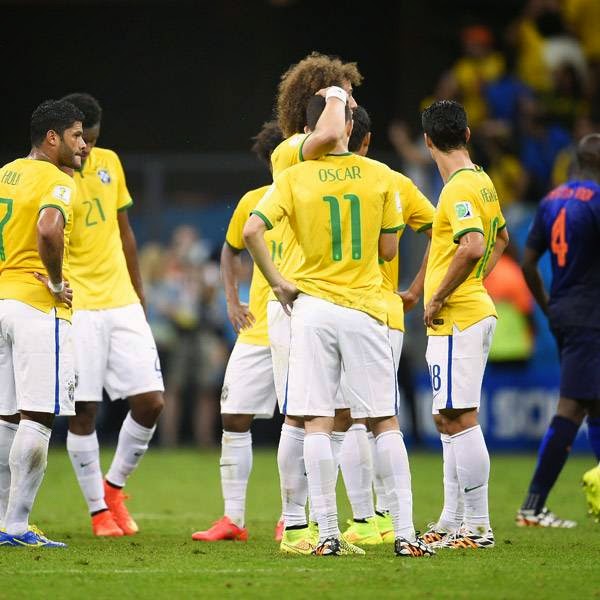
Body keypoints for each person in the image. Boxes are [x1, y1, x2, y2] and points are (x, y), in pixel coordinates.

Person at [244, 97, 433, 558]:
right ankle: (405, 534)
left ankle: (325, 534)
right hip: (366, 306)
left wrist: (278, 283)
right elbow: (389, 250)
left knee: (316, 421)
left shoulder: (291, 175)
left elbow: (252, 232)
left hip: (311, 308)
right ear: (351, 127)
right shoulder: (381, 176)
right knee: (383, 421)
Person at [268, 53, 364, 555]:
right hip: (294, 297)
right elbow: (326, 135)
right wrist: (335, 94)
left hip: (328, 300)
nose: (352, 110)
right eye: (347, 100)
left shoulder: (332, 164)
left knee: (330, 413)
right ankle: (294, 523)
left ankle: (319, 520)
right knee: (301, 414)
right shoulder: (292, 151)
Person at [61, 93, 164, 537]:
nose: (86, 149)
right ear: (62, 136)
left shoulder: (109, 163)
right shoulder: (46, 178)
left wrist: (140, 294)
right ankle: (99, 512)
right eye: (80, 139)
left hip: (120, 299)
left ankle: (114, 487)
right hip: (76, 304)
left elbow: (125, 233)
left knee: (151, 400)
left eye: (92, 139)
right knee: (84, 411)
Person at [337, 106, 435, 546]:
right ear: (369, 141)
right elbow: (442, 230)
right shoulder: (392, 180)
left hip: (337, 310)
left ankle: (368, 518)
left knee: (349, 418)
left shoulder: (317, 178)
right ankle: (388, 518)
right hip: (386, 312)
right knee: (378, 417)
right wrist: (415, 290)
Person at [420, 100, 509, 549]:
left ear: (427, 141)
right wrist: (473, 284)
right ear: (468, 135)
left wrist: (440, 294)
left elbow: (473, 245)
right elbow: (502, 238)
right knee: (445, 416)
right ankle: (452, 520)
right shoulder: (482, 181)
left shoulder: (456, 189)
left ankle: (477, 527)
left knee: (459, 416)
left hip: (459, 316)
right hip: (467, 311)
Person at [191, 120, 284, 542]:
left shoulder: (312, 193)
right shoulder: (254, 200)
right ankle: (234, 519)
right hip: (258, 328)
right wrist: (232, 299)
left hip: (303, 326)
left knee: (302, 420)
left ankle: (295, 517)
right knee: (233, 415)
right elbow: (230, 250)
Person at [0, 99, 85, 547]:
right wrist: (55, 281)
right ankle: (16, 525)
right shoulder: (57, 181)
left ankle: (1, 522)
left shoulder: (5, 174)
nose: (83, 144)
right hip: (37, 305)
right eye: (76, 135)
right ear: (52, 138)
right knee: (37, 415)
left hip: (1, 301)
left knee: (5, 417)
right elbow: (49, 230)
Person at [516, 133, 600, 527]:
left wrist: (549, 306)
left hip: (565, 310)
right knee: (572, 405)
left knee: (594, 404)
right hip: (590, 315)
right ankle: (532, 505)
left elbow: (529, 262)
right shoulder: (597, 200)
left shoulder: (551, 200)